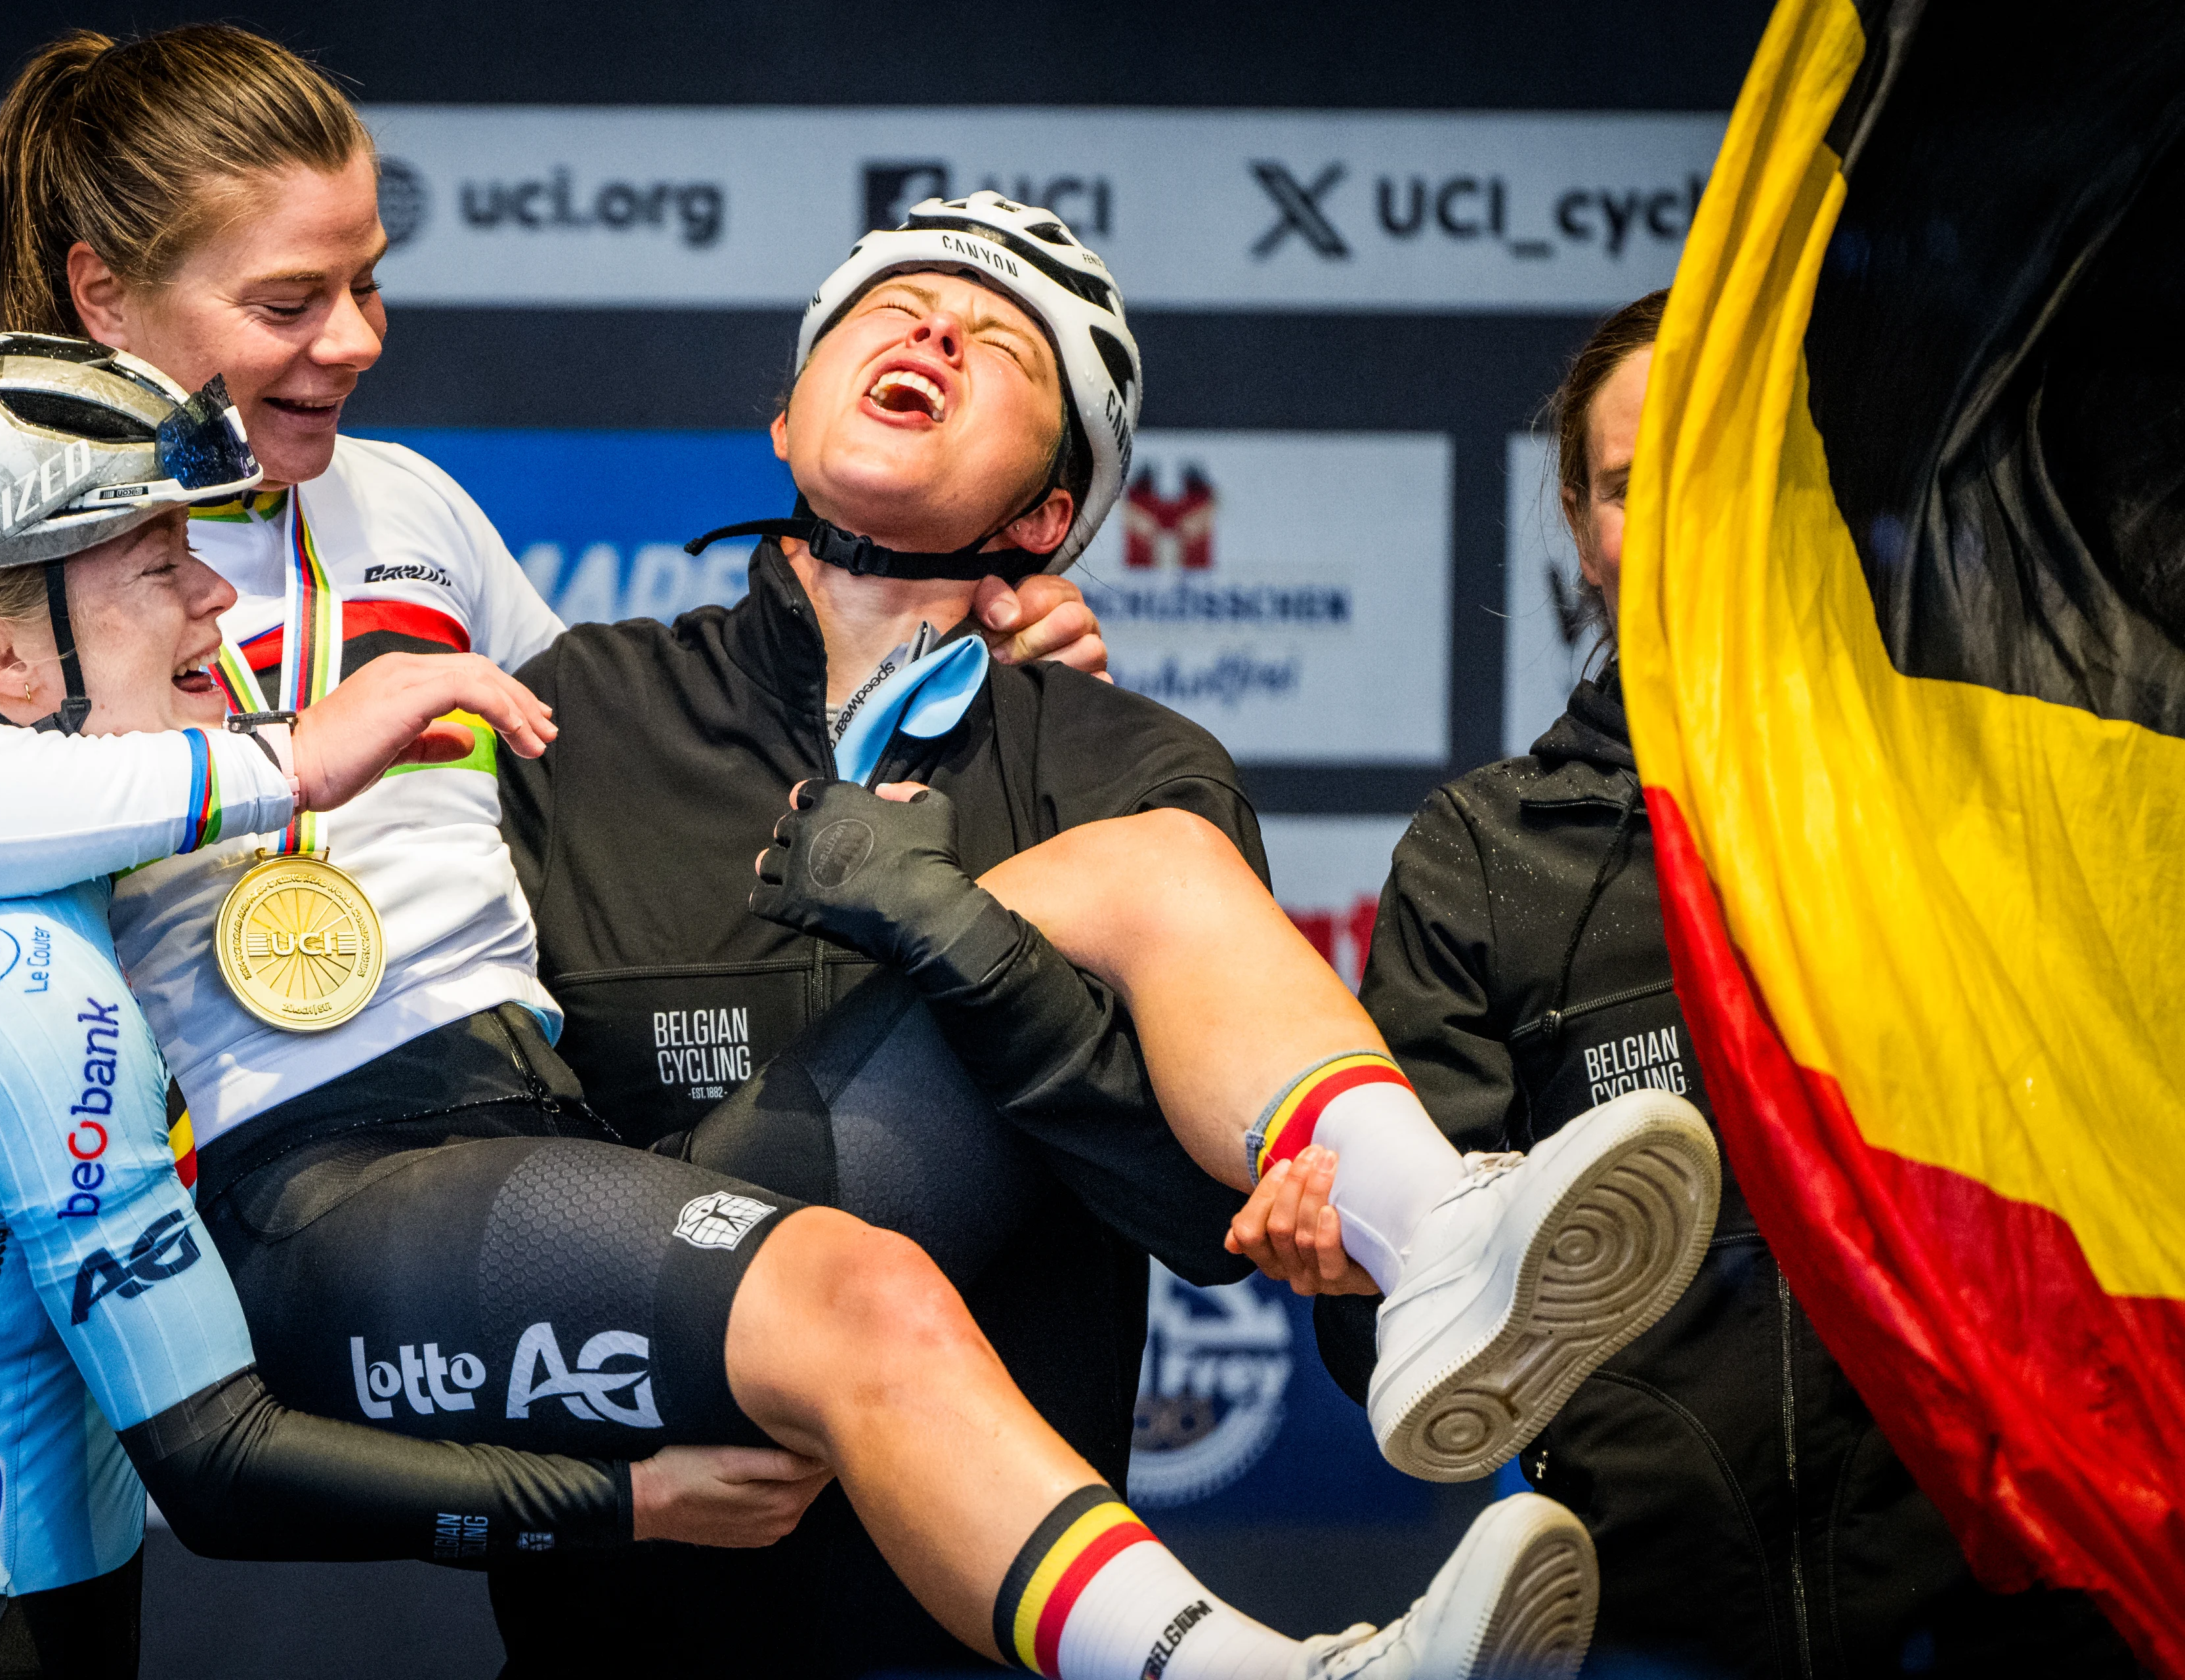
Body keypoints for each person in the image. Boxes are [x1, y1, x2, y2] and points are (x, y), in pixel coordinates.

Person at [0, 26, 1710, 1675]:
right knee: (862, 1295)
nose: (357, 338)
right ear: (108, 299)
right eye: (294, 301)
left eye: (369, 281)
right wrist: (279, 767)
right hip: (312, 1195)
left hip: (546, 1157)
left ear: (1054, 506)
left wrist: (994, 700)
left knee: (1133, 874)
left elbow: (570, 731)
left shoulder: (423, 516)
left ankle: (1438, 1227)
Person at [482, 186, 1717, 1672]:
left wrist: (965, 945)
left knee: (1150, 868)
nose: (933, 325)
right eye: (886, 307)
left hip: (969, 1634)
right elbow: (470, 1176)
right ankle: (1436, 1235)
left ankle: (1419, 1267)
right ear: (786, 415)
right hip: (633, 1561)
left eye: (1000, 339)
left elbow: (1200, 1220)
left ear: (1048, 510)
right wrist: (590, 1488)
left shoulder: (1130, 767)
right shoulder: (567, 713)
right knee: (1142, 880)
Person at [0, 351, 827, 1680]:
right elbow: (225, 1465)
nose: (213, 596)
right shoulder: (30, 976)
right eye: (158, 568)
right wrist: (637, 1503)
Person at [1304, 289, 2140, 1676]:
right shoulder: (1481, 855)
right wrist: (1354, 1257)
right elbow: (1394, 1339)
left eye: (1724, 479)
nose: (1683, 524)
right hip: (1648, 1631)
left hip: (2016, 1618)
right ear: (1578, 526)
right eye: (1633, 487)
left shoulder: (1983, 805)